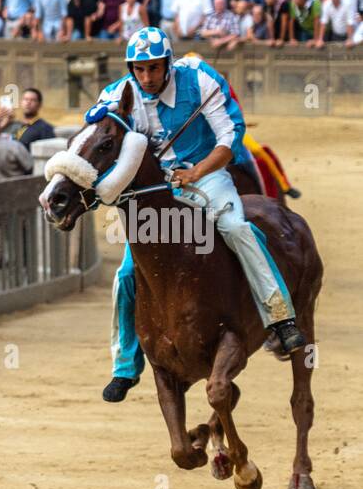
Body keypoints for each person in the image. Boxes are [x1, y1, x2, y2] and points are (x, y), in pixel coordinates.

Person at [99, 27, 304, 404]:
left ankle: (280, 317)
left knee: (236, 227)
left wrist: (196, 172)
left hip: (207, 177)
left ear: (168, 63)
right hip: (158, 192)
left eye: (154, 68)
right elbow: (99, 127)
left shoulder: (200, 80)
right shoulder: (120, 92)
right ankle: (125, 365)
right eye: (139, 69)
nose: (147, 77)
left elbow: (231, 137)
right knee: (127, 272)